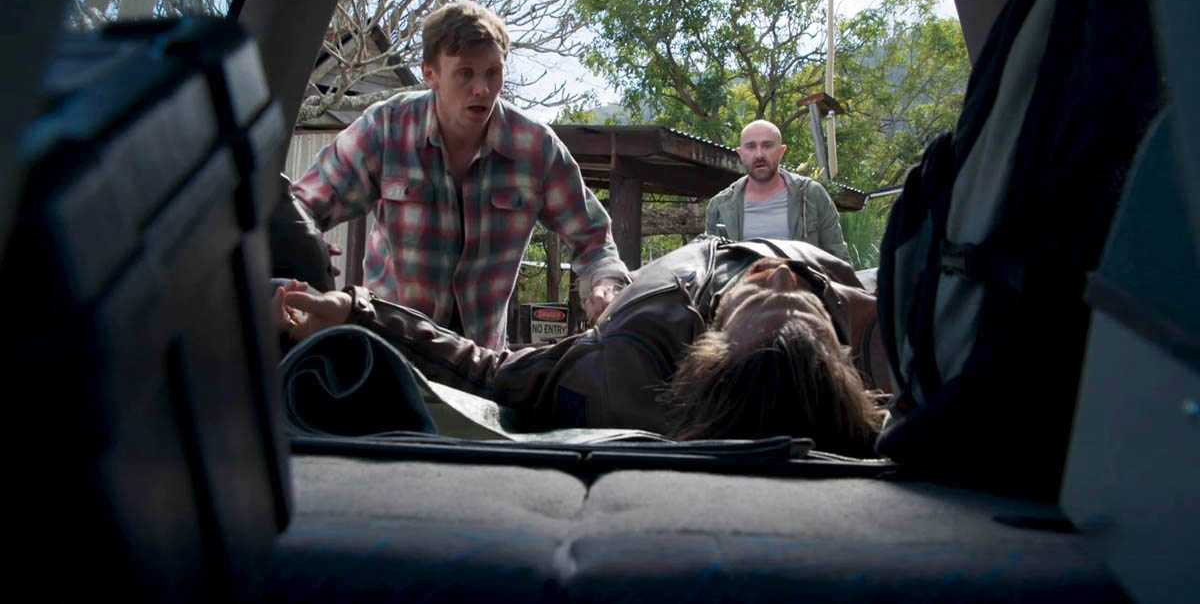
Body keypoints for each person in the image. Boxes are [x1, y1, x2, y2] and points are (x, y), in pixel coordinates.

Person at [274, 236, 890, 456]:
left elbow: (488, 372)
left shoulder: (624, 360)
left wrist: (358, 311)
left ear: (711, 346)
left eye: (757, 298)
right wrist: (848, 305)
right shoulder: (875, 339)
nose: (780, 275)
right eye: (805, 304)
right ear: (843, 359)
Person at [289, 0, 629, 350]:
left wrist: (605, 283)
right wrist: (304, 243)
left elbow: (594, 238)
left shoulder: (535, 148)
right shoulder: (386, 128)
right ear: (430, 74)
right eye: (466, 73)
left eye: (493, 72)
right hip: (390, 348)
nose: (482, 88)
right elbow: (301, 207)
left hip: (481, 360)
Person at [706, 120, 850, 261]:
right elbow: (710, 264)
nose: (759, 155)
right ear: (741, 153)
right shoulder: (720, 206)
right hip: (741, 278)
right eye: (751, 147)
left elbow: (838, 258)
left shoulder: (810, 194)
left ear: (781, 151)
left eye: (767, 145)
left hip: (803, 277)